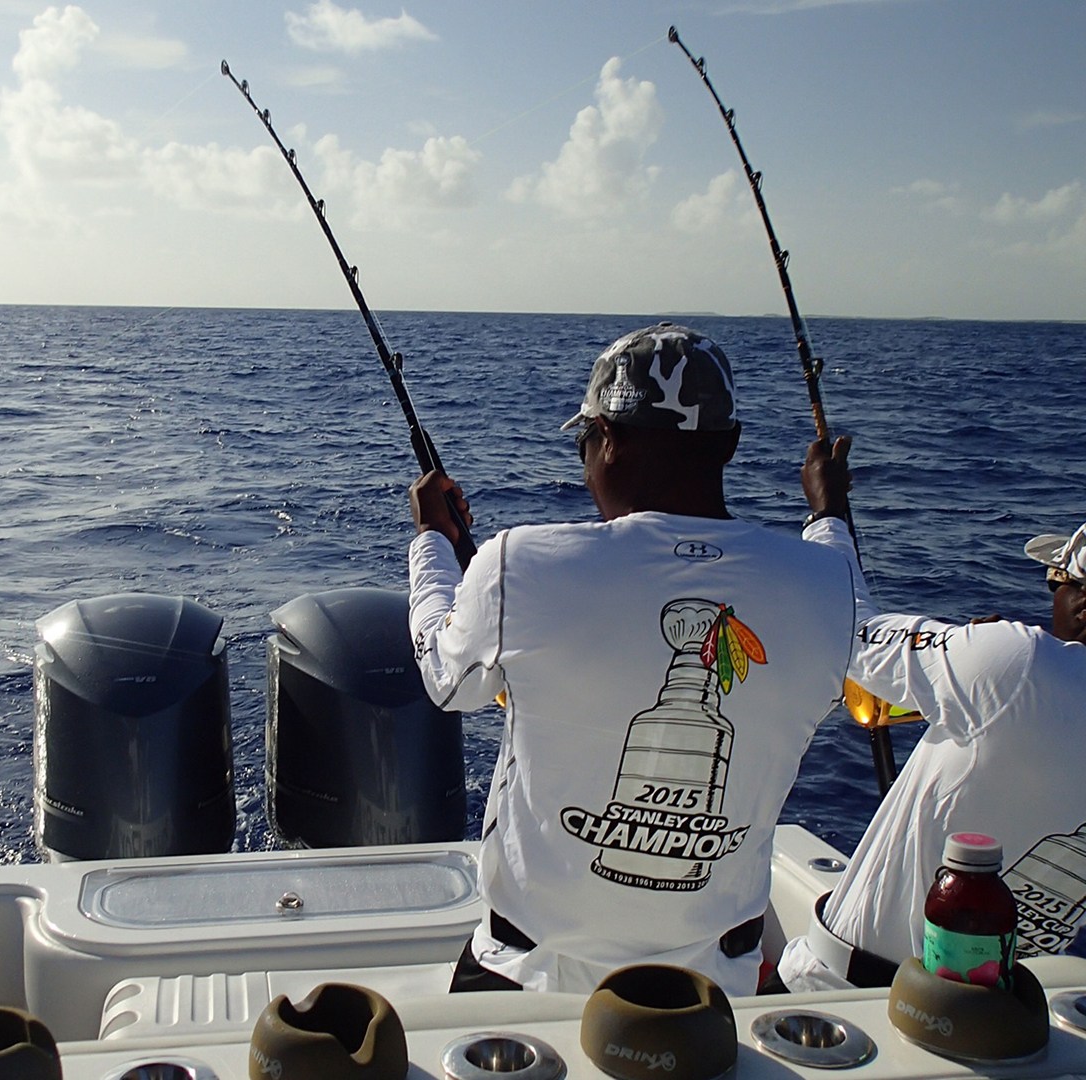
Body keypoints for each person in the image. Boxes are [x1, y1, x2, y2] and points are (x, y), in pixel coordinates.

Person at [407, 322, 860, 996]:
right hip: (714, 990)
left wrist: (433, 547)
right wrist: (829, 510)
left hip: (529, 974)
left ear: (608, 441)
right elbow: (848, 587)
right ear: (730, 443)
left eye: (585, 441)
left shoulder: (518, 562)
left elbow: (447, 682)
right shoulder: (829, 587)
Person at [776, 438, 1086, 991]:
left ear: (1078, 600)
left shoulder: (1018, 664)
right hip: (1001, 1022)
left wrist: (826, 514)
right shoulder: (1013, 674)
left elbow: (851, 629)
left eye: (1055, 582)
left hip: (848, 995)